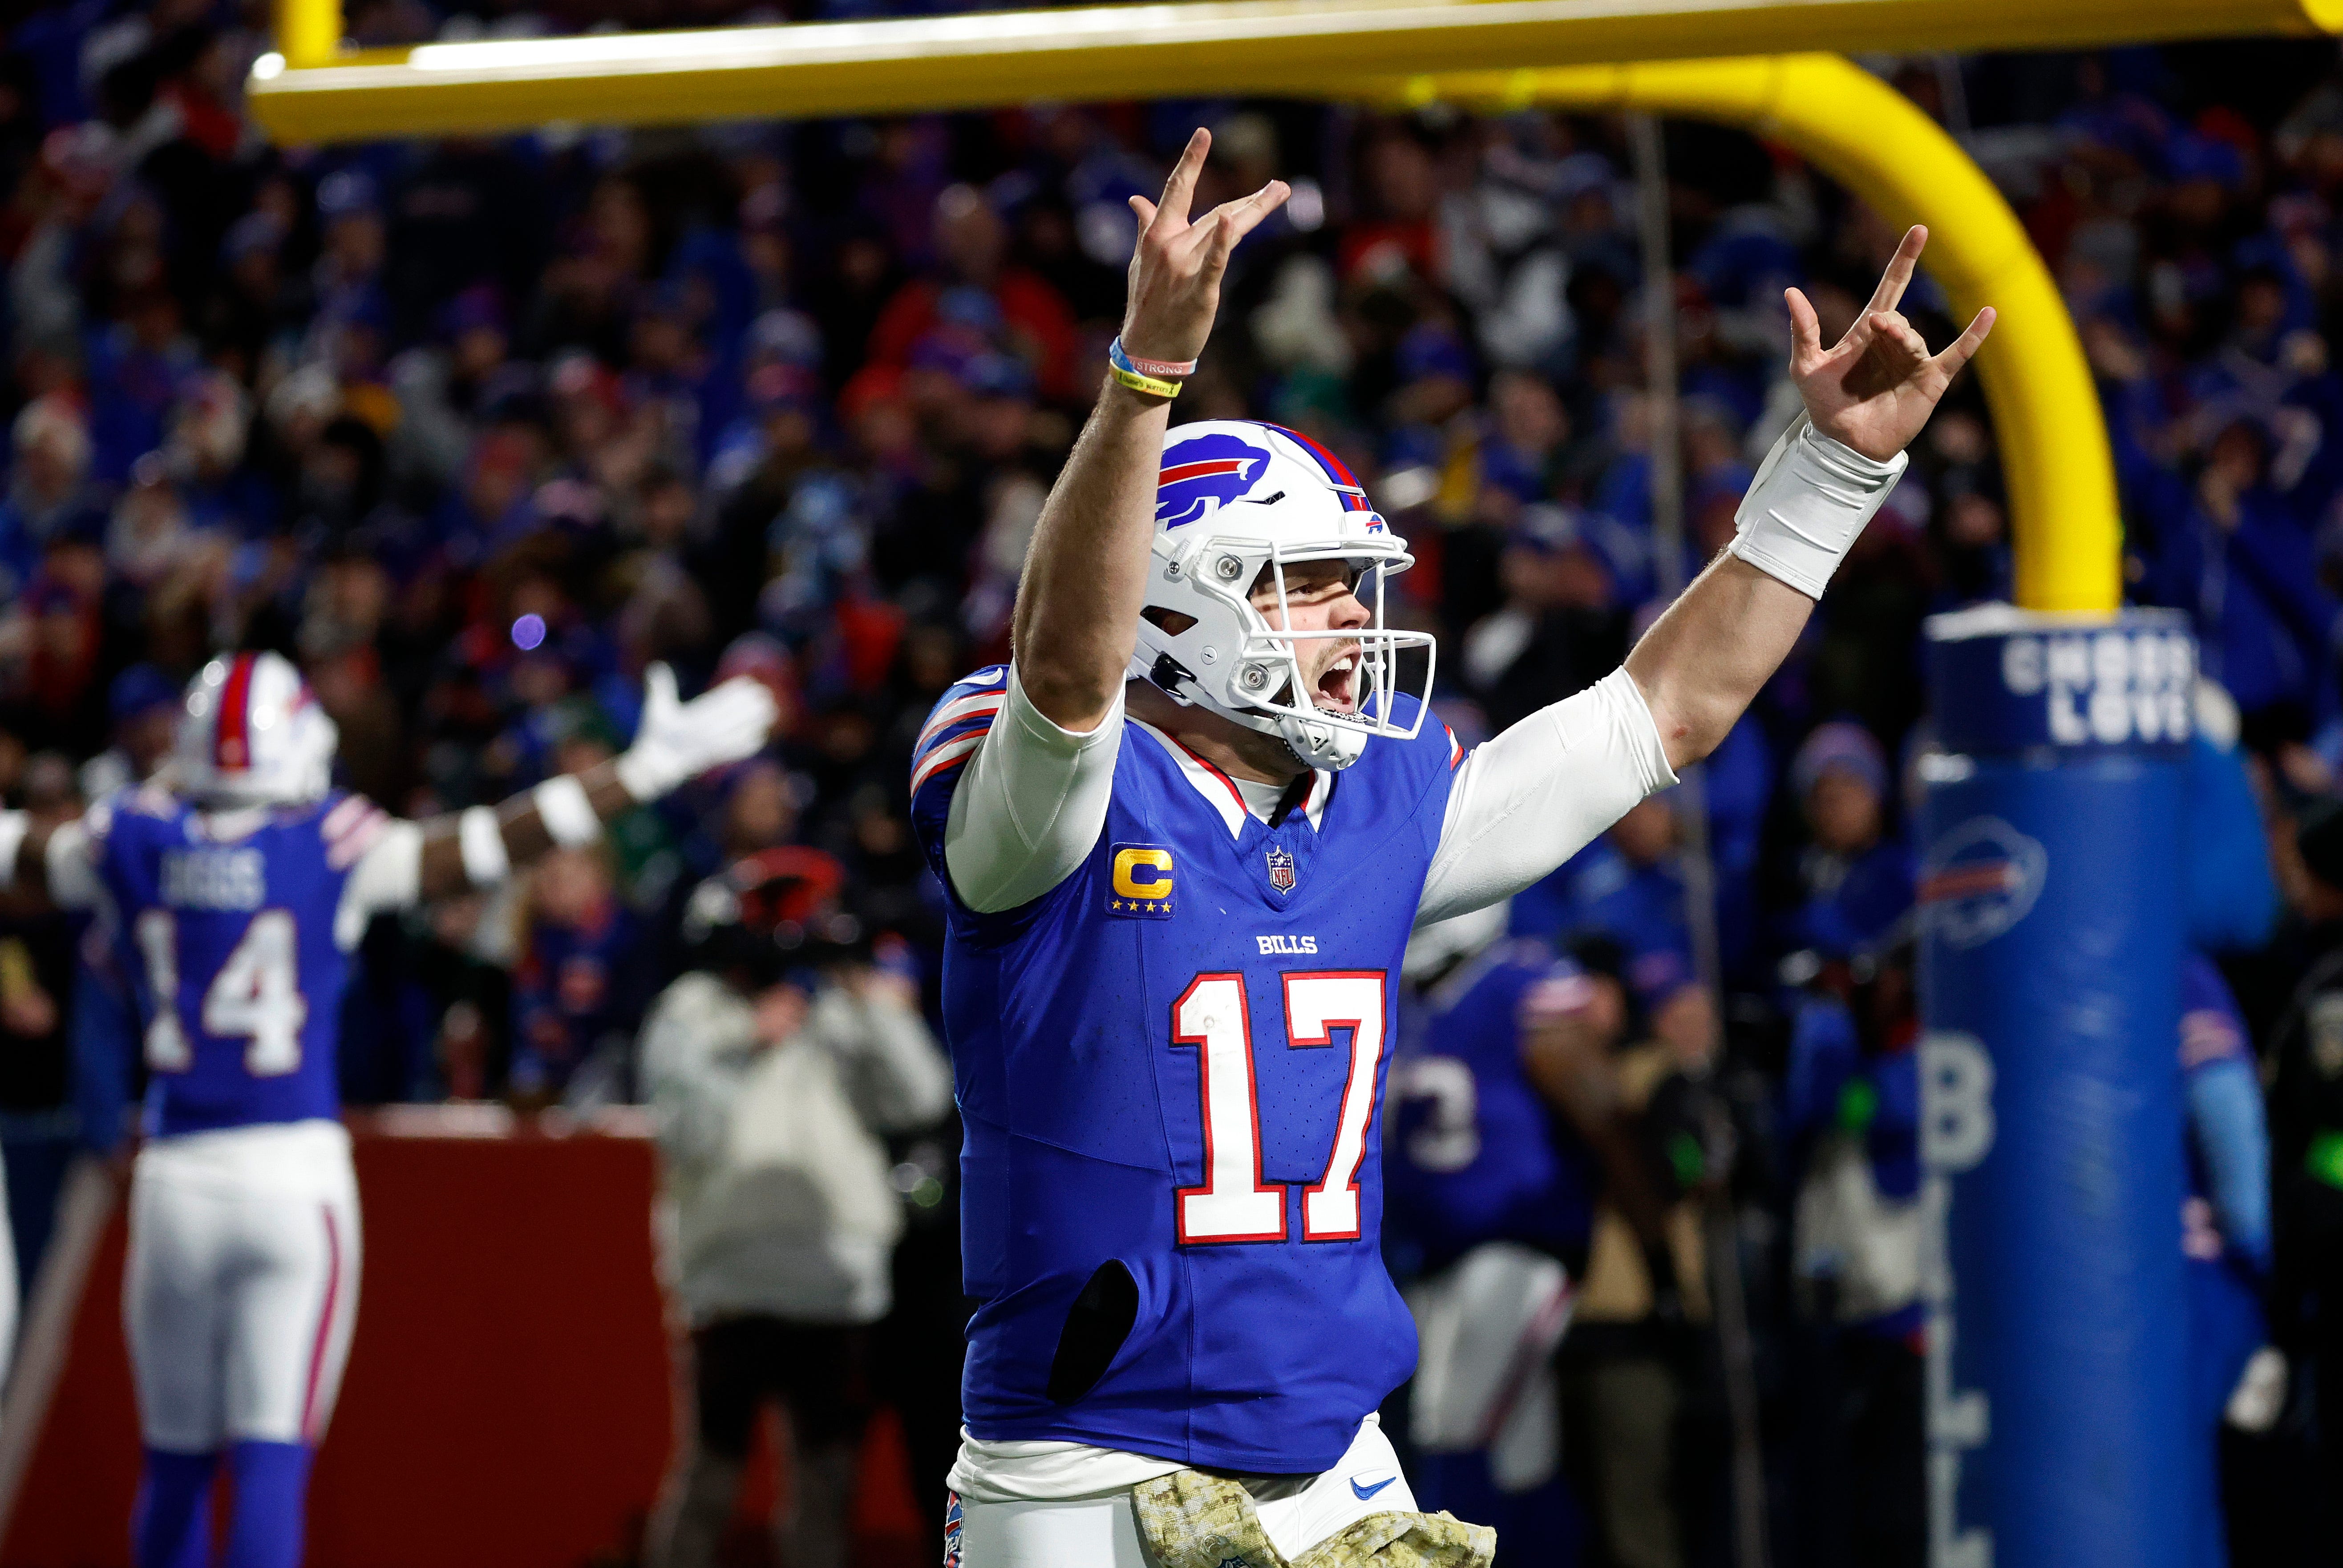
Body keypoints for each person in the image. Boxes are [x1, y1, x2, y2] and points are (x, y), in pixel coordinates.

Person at [907, 126, 1991, 1567]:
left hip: (1332, 1451)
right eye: (1300, 588)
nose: (1352, 625)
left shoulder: (1380, 804)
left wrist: (1826, 482)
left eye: (1353, 588)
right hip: (1082, 1474)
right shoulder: (1058, 800)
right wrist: (1142, 383)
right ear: (1173, 604)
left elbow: (1667, 709)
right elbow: (1062, 677)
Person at [1, 651, 773, 1568]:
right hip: (291, 1177)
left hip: (174, 1179)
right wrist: (643, 771)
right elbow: (491, 842)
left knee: (172, 1465)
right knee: (269, 1462)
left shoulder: (128, 838)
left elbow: (22, 847)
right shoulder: (332, 844)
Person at [639, 846, 953, 1568]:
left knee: (824, 1480)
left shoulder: (843, 1012)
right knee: (711, 1474)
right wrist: (751, 1037)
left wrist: (863, 996)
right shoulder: (692, 1010)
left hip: (834, 1280)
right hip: (731, 1276)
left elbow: (922, 1096)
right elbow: (686, 1128)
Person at [1384, 900, 1598, 1564]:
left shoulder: (1519, 981)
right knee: (1518, 1454)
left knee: (1452, 1430)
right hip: (1431, 1254)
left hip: (1513, 1248)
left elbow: (1598, 1097)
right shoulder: (1407, 994)